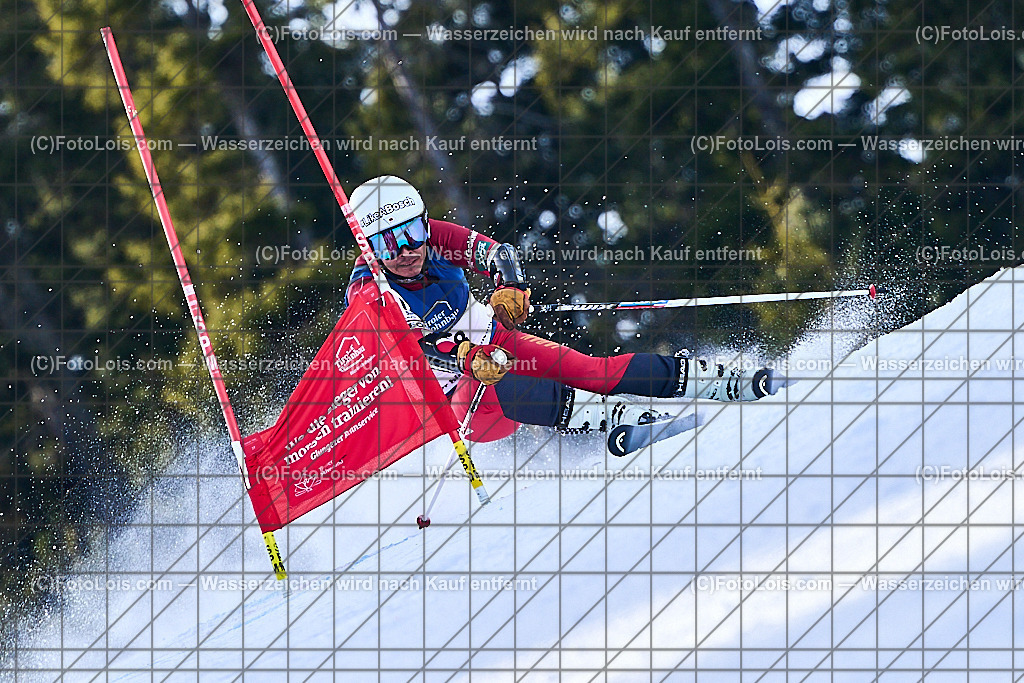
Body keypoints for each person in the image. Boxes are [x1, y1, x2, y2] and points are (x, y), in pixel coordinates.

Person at [345, 175, 775, 447]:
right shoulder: (368, 291)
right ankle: (622, 420)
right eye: (387, 243)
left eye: (412, 233)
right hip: (458, 399)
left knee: (592, 371)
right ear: (368, 246)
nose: (406, 251)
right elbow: (412, 345)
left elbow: (497, 252)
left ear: (423, 222)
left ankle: (720, 381)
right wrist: (463, 355)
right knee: (493, 386)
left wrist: (510, 286)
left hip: (496, 342)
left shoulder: (434, 239)